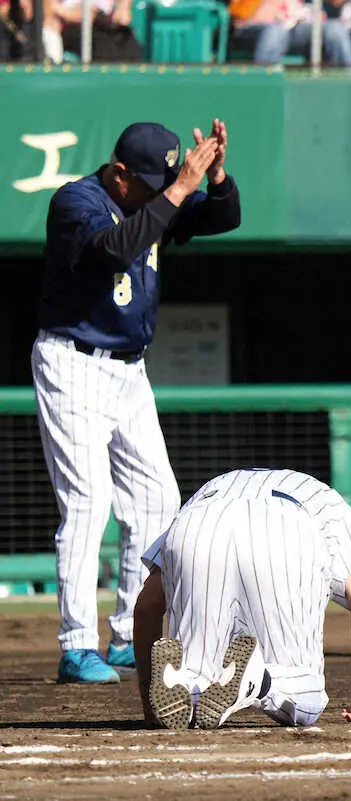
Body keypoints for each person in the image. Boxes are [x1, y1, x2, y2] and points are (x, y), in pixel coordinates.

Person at [35, 120, 240, 685]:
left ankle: (127, 634)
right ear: (120, 173)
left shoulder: (155, 198)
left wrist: (216, 179)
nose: (159, 192)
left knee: (157, 499)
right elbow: (116, 247)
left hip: (129, 369)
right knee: (87, 503)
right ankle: (77, 644)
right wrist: (177, 190)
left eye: (164, 182)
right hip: (74, 360)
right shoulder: (77, 201)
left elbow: (223, 217)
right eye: (148, 183)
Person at [133, 468, 351, 729]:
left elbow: (146, 606)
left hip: (198, 521)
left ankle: (182, 680)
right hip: (285, 526)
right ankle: (261, 680)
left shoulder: (204, 492)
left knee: (196, 677)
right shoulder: (330, 503)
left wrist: (148, 704)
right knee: (305, 697)